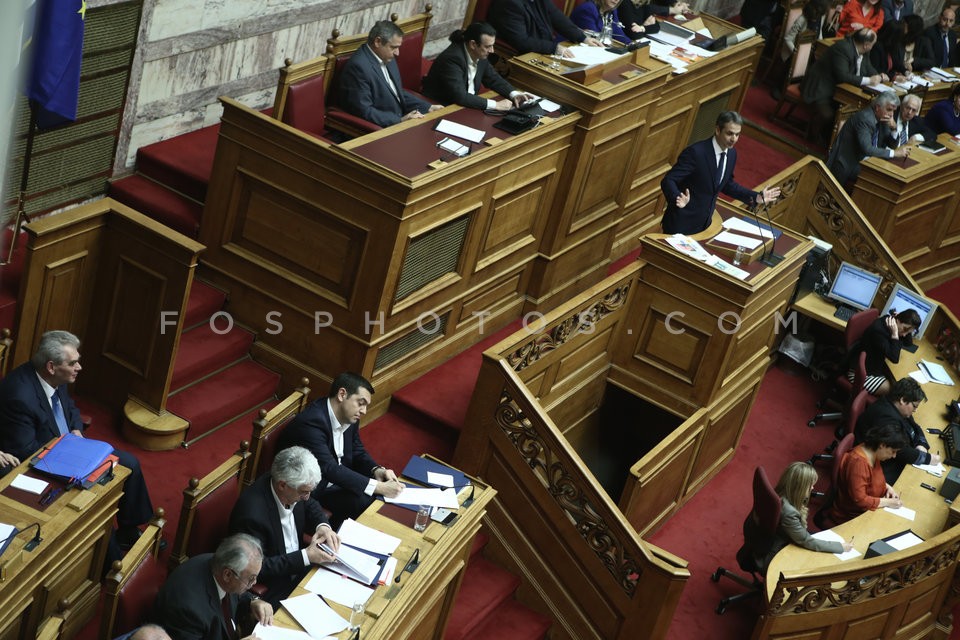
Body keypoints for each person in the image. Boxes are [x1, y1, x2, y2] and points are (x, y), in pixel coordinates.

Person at [0, 330, 155, 549]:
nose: (79, 367)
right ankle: (108, 555)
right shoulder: (19, 396)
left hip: (72, 446)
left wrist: (76, 429)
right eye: (73, 363)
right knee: (92, 510)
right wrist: (68, 454)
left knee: (129, 464)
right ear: (51, 366)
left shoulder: (57, 376)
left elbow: (71, 409)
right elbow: (26, 450)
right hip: (49, 462)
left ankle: (129, 531)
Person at [276, 372, 403, 529]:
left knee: (374, 501)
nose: (364, 411)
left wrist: (376, 470)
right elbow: (329, 468)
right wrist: (379, 487)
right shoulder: (312, 423)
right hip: (311, 490)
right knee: (368, 502)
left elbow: (357, 450)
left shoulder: (348, 416)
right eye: (361, 403)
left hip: (336, 481)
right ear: (342, 394)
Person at [228, 446, 340, 607]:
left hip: (301, 567)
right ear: (282, 485)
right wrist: (305, 557)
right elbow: (257, 567)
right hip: (276, 584)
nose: (307, 497)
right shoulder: (251, 515)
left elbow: (310, 504)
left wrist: (323, 526)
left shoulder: (294, 487)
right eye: (304, 492)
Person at [659, 111, 781, 235]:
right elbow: (669, 180)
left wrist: (756, 197)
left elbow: (727, 184)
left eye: (737, 134)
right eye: (729, 133)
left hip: (704, 224)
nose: (734, 139)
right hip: (681, 223)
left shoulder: (732, 154)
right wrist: (677, 197)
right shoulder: (696, 153)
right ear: (718, 130)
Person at [154, 534, 273, 640]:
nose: (254, 583)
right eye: (251, 579)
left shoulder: (223, 563)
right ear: (227, 575)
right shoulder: (187, 610)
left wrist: (253, 601)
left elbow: (236, 593)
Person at [336, 20, 442, 128]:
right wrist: (400, 121)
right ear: (378, 42)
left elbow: (397, 93)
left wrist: (428, 107)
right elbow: (364, 111)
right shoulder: (358, 67)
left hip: (399, 119)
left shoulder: (386, 56)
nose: (397, 53)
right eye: (393, 47)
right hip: (381, 128)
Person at [755, 462, 852, 571]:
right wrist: (841, 547)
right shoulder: (789, 513)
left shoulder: (780, 493)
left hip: (771, 539)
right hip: (775, 553)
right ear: (800, 487)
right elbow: (806, 541)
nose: (812, 488)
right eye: (810, 485)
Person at [422, 23, 536, 111]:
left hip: (468, 105)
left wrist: (515, 94)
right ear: (473, 44)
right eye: (488, 46)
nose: (492, 51)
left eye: (492, 46)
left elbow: (493, 79)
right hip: (444, 108)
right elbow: (460, 96)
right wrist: (496, 105)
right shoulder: (452, 59)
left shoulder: (480, 54)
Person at [802, 28, 885, 144]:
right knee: (829, 115)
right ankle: (814, 137)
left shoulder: (863, 51)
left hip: (838, 90)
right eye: (872, 44)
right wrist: (869, 80)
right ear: (866, 45)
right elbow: (843, 76)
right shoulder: (843, 49)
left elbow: (868, 67)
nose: (872, 47)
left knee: (853, 112)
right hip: (820, 88)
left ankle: (832, 140)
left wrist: (879, 76)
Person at [854, 378, 940, 483]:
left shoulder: (895, 406)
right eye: (914, 406)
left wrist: (921, 444)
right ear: (903, 400)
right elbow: (899, 451)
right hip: (874, 464)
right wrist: (928, 459)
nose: (915, 410)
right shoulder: (886, 418)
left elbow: (915, 426)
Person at [825, 91, 909, 189]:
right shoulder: (865, 119)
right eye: (889, 110)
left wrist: (894, 129)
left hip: (869, 159)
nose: (891, 115)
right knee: (883, 180)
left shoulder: (883, 118)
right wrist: (894, 153)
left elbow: (892, 145)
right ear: (877, 107)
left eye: (894, 111)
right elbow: (867, 149)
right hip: (850, 163)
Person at [826, 423, 907, 525]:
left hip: (869, 509)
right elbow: (860, 501)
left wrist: (887, 487)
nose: (894, 456)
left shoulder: (873, 452)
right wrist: (888, 502)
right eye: (893, 451)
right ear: (882, 445)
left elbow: (871, 478)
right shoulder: (858, 463)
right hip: (853, 517)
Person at [487, 0, 602, 57]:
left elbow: (557, 17)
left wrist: (583, 38)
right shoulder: (508, 3)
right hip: (518, 54)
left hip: (542, 49)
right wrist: (554, 48)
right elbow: (521, 41)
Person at [847, 306, 919, 396]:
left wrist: (906, 330)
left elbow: (908, 344)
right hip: (859, 374)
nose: (904, 335)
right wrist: (895, 335)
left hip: (873, 367)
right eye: (905, 329)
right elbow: (894, 358)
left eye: (908, 332)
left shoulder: (891, 322)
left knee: (898, 385)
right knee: (898, 393)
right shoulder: (879, 331)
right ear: (898, 321)